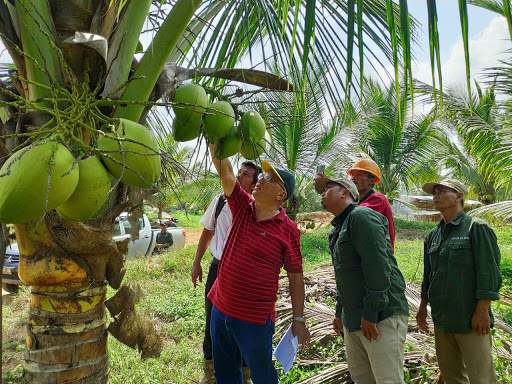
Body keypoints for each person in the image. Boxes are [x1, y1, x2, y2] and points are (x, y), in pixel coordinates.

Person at [208, 143, 310, 384]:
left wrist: (298, 319)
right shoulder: (243, 206)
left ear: (280, 195)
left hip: (254, 319)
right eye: (263, 175)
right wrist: (214, 142)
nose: (260, 179)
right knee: (225, 373)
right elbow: (226, 173)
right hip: (220, 309)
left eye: (269, 178)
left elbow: (296, 276)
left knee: (262, 375)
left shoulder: (288, 230)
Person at [315, 174, 409, 384]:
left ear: (345, 192)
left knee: (388, 380)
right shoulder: (339, 228)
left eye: (328, 188)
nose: (322, 194)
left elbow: (378, 266)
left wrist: (371, 313)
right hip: (354, 319)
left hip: (380, 317)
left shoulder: (361, 217)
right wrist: (340, 313)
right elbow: (344, 275)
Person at [416, 179, 502, 384]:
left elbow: (489, 272)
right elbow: (429, 275)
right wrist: (422, 306)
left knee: (481, 378)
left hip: (470, 318)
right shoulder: (433, 236)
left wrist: (482, 311)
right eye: (434, 192)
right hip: (442, 318)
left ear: (459, 196)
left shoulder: (476, 228)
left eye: (442, 191)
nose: (436, 195)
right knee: (452, 375)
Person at [191, 161, 260, 384]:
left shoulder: (257, 208)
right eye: (239, 172)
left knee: (242, 322)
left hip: (243, 273)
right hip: (218, 267)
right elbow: (207, 232)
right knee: (212, 318)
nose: (240, 176)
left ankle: (245, 372)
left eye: (247, 175)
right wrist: (196, 262)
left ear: (254, 183)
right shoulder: (219, 201)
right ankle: (210, 369)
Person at [347, 159, 396, 252]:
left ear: (372, 180)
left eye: (359, 174)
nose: (353, 178)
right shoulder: (357, 200)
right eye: (352, 175)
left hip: (380, 254)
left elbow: (356, 215)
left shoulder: (378, 199)